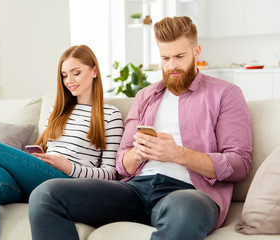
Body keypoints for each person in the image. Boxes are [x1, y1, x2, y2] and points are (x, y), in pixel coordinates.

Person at [28, 16, 252, 240]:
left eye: (179, 56)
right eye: (165, 58)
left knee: (184, 207)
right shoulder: (146, 96)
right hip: (135, 190)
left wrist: (178, 154)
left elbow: (240, 164)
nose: (171, 65)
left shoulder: (225, 94)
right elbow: (121, 163)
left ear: (196, 52)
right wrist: (138, 154)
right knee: (46, 194)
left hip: (188, 192)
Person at [0, 44, 124, 240]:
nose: (69, 80)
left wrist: (69, 167)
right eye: (64, 75)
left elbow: (111, 174)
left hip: (69, 183)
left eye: (76, 73)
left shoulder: (110, 115)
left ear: (94, 71)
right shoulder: (58, 111)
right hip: (40, 175)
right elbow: (46, 150)